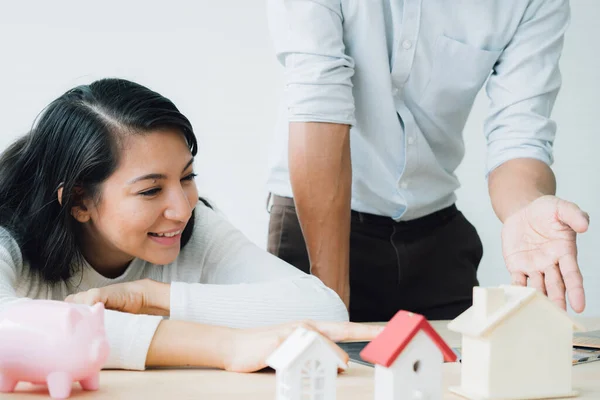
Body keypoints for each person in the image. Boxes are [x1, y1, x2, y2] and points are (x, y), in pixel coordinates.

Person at [0, 78, 382, 372]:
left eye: (187, 177)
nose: (181, 210)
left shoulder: (194, 230)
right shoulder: (9, 236)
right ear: (78, 201)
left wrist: (151, 297)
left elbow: (323, 308)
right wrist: (226, 346)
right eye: (151, 190)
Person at [265, 0, 589, 322]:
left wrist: (526, 208)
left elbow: (520, 138)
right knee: (318, 368)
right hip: (320, 225)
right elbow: (319, 104)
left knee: (466, 368)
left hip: (435, 236)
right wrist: (330, 301)